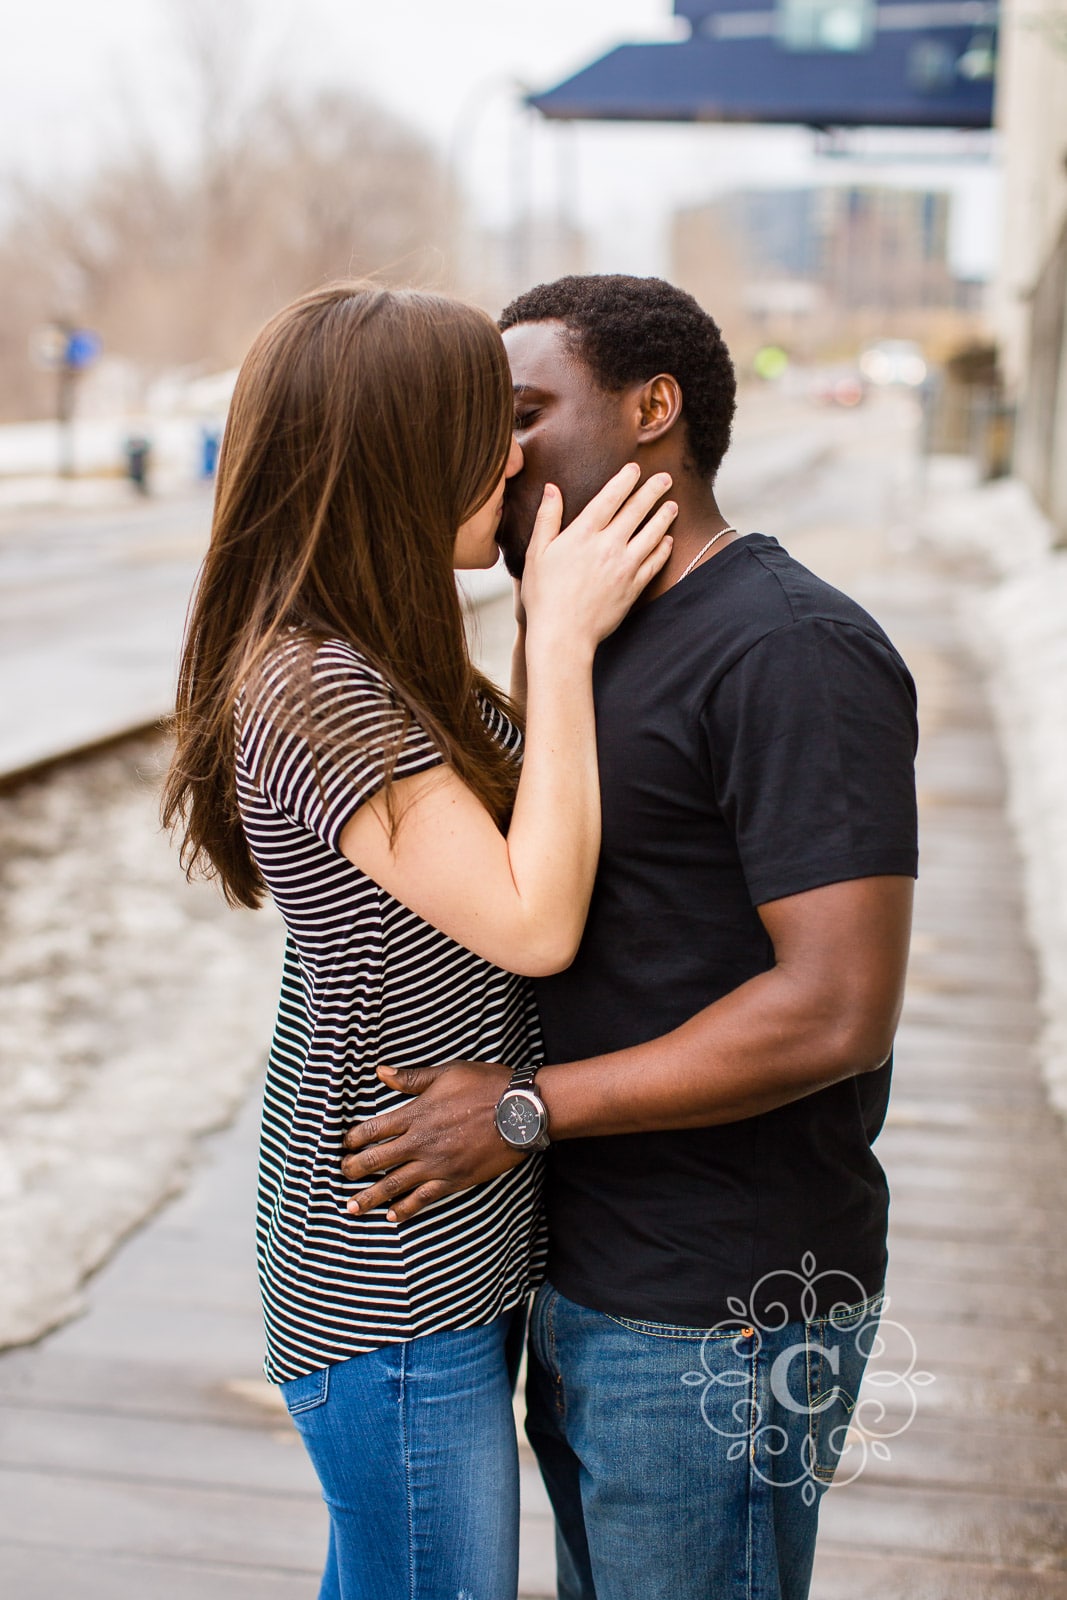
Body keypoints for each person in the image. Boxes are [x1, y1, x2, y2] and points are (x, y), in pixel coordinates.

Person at [340, 274, 919, 1600]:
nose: (495, 450)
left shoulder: (792, 651)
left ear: (655, 408)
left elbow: (837, 1009)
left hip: (723, 1295)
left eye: (526, 411)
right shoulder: (592, 624)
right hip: (590, 1275)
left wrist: (528, 1109)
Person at [160, 279, 677, 1600]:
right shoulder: (317, 684)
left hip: (449, 1240)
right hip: (388, 1274)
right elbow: (535, 919)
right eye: (485, 427)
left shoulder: (380, 654)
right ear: (400, 457)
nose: (514, 454)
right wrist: (556, 646)